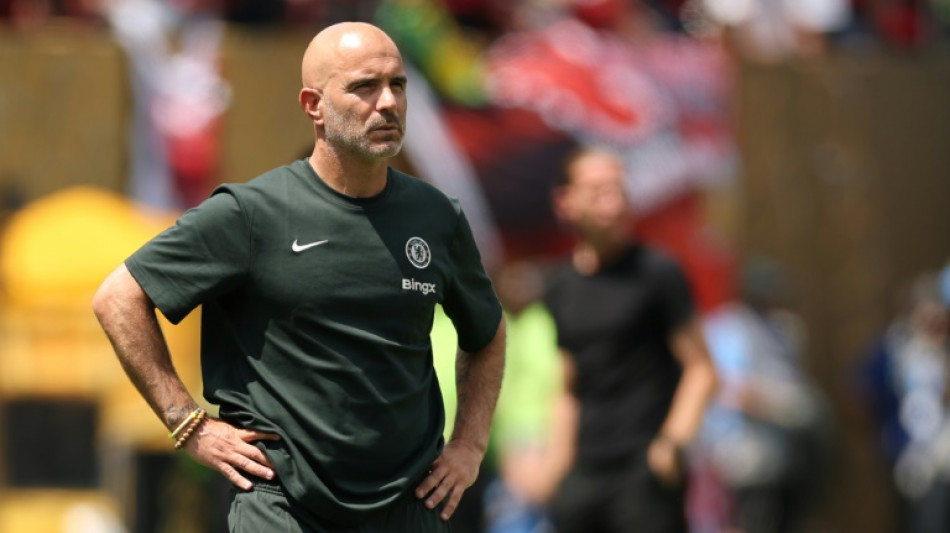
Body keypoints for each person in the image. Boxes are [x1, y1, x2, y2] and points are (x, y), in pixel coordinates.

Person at [92, 21, 506, 532]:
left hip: (408, 505)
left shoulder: (436, 215)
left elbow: (487, 334)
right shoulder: (251, 213)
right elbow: (118, 298)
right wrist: (188, 424)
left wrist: (470, 446)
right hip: (282, 505)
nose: (388, 103)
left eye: (397, 84)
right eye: (364, 87)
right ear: (314, 105)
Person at [542, 146, 719, 533]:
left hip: (644, 469)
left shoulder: (658, 272)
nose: (612, 203)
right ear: (565, 202)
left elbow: (701, 370)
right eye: (597, 192)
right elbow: (568, 387)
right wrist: (556, 463)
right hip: (585, 470)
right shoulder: (558, 286)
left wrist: (671, 444)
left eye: (618, 190)